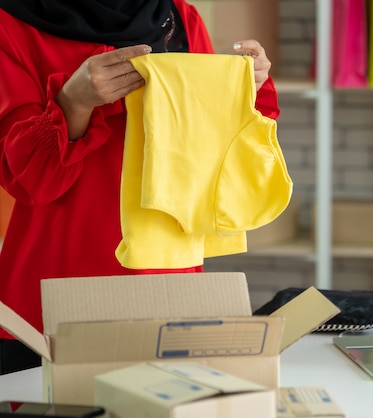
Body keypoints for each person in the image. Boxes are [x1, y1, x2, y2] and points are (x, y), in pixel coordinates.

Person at [0, 0, 280, 375]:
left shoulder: (180, 16)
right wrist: (73, 102)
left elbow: (213, 151)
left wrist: (245, 85)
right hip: (57, 286)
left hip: (166, 281)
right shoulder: (10, 25)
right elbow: (30, 182)